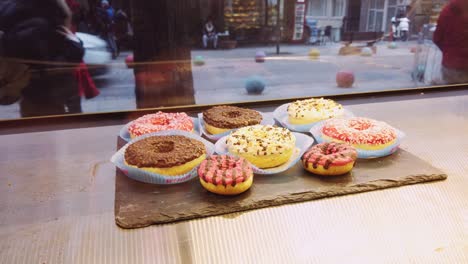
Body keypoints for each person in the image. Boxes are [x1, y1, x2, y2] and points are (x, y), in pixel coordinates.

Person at [1, 0, 85, 117]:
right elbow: (61, 63)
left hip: (28, 91)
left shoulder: (12, 14)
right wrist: (76, 44)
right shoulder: (47, 23)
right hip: (51, 93)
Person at [433, 0, 468, 84]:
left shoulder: (447, 11)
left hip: (452, 66)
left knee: (453, 95)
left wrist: (450, 52)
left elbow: (437, 38)